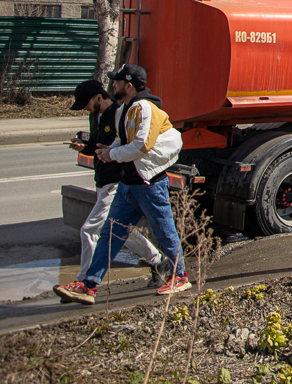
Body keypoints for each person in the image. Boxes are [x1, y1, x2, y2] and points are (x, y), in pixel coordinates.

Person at [54, 64, 190, 305]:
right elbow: (121, 139)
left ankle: (180, 276)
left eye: (116, 82)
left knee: (164, 232)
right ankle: (88, 285)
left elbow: (141, 145)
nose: (112, 85)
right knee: (109, 234)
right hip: (127, 184)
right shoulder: (123, 110)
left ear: (128, 85)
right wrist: (109, 150)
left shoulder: (144, 108)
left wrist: (112, 155)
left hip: (148, 184)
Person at [67, 79, 169, 292]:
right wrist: (84, 147)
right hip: (102, 181)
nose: (85, 109)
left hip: (115, 182)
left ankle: (85, 280)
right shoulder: (95, 116)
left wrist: (114, 157)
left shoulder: (118, 112)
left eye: (86, 104)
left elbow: (125, 145)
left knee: (89, 230)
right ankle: (158, 261)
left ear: (98, 97)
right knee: (120, 230)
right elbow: (98, 146)